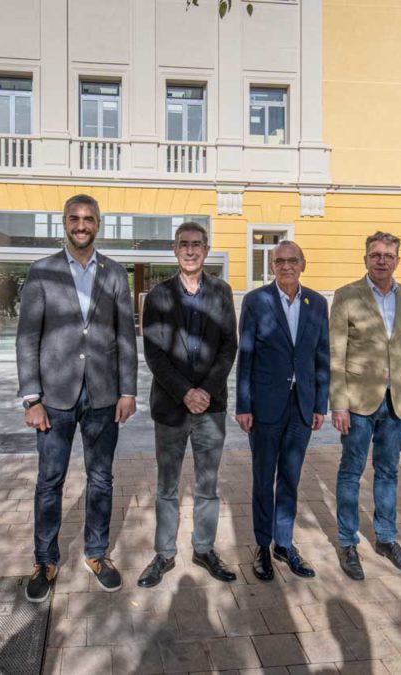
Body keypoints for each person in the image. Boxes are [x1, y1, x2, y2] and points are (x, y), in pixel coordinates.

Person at [16, 193, 138, 600]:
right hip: (54, 397)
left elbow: (125, 337)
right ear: (64, 223)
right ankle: (45, 559)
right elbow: (28, 337)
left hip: (104, 396)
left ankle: (97, 552)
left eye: (88, 218)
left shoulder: (116, 274)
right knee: (50, 480)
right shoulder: (41, 272)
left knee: (101, 479)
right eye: (74, 218)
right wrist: (31, 399)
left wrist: (128, 390)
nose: (81, 225)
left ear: (98, 223)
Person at [137, 221, 239, 587]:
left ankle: (204, 548)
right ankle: (164, 554)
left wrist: (206, 391)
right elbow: (154, 353)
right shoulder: (158, 296)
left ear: (207, 249)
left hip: (210, 408)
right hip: (171, 407)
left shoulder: (222, 292)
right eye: (184, 244)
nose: (191, 250)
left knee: (207, 485)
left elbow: (229, 346)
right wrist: (185, 392)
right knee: (167, 486)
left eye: (197, 244)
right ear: (175, 249)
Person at [330, 231, 401, 580]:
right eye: (375, 255)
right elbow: (335, 355)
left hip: (396, 402)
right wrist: (338, 404)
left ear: (398, 260)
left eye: (388, 255)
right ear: (366, 259)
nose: (382, 260)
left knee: (388, 472)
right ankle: (347, 542)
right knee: (351, 472)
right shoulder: (346, 296)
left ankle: (386, 538)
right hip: (357, 403)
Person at [235, 241, 330, 581]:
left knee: (290, 478)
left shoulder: (317, 303)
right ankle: (262, 545)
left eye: (293, 260)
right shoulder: (256, 301)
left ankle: (284, 543)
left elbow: (322, 355)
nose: (287, 266)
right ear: (271, 266)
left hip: (302, 406)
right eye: (280, 261)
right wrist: (243, 404)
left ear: (303, 264)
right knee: (263, 479)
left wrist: (321, 403)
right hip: (265, 406)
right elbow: (245, 354)